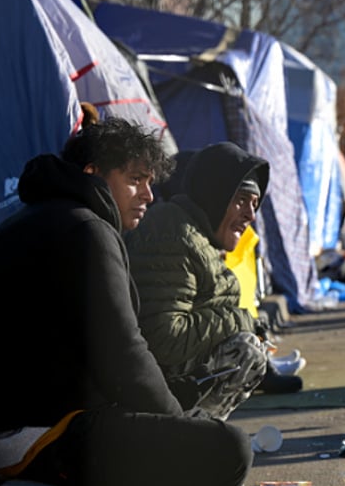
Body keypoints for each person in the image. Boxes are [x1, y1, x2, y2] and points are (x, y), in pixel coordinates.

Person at [0, 118, 253, 486]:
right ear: (93, 173)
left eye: (150, 181)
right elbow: (123, 354)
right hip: (45, 438)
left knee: (190, 413)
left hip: (21, 427)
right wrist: (177, 424)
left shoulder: (37, 219)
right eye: (135, 179)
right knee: (229, 449)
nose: (148, 195)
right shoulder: (86, 229)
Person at [124, 142, 302, 422]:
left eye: (255, 204)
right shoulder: (172, 234)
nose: (250, 215)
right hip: (143, 389)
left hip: (157, 379)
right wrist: (240, 321)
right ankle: (186, 437)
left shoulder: (195, 235)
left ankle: (196, 436)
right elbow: (165, 338)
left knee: (247, 343)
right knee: (245, 350)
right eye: (242, 200)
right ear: (215, 194)